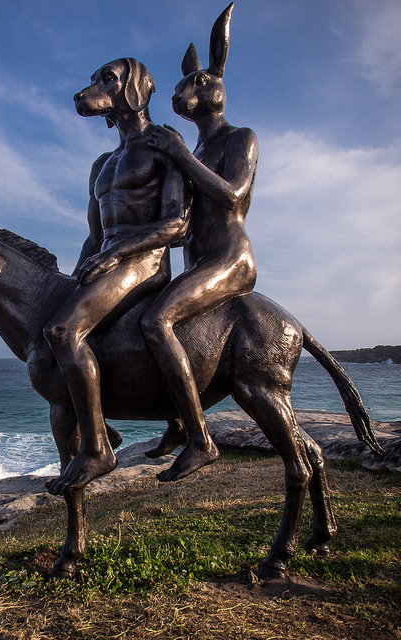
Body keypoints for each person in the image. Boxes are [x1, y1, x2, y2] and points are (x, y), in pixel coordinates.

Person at [44, 58, 190, 495]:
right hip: (108, 260)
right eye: (94, 80)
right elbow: (94, 237)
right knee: (46, 324)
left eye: (107, 79)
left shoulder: (163, 143)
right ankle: (105, 420)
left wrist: (114, 255)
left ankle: (97, 450)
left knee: (62, 330)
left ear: (135, 88)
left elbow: (177, 224)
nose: (90, 89)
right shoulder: (101, 165)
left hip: (144, 261)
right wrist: (73, 280)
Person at [141, 3, 258, 482]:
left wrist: (180, 155)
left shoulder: (239, 139)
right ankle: (175, 422)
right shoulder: (195, 150)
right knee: (141, 310)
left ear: (216, 86)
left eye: (197, 82)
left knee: (157, 319)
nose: (183, 92)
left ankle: (199, 439)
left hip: (229, 259)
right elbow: (182, 221)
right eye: (181, 86)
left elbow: (232, 195)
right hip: (196, 260)